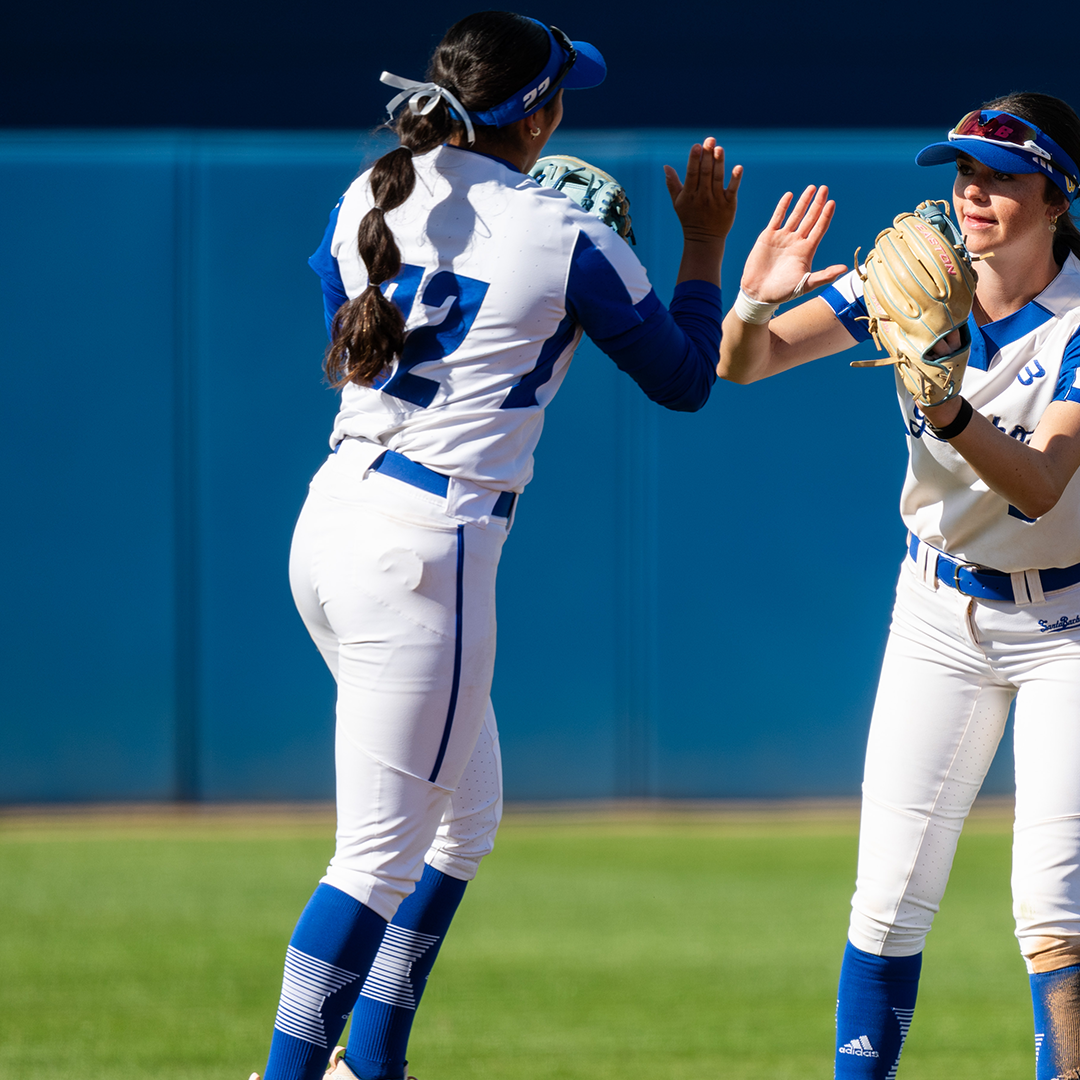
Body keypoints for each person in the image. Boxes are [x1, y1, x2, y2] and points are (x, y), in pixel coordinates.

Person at [256, 12, 740, 1080]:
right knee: (376, 858)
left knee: (462, 820)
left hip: (334, 515)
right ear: (539, 118)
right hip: (426, 547)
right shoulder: (565, 235)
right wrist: (704, 246)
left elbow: (349, 323)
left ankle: (370, 1064)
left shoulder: (372, 191)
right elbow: (685, 379)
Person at [716, 93, 1080, 1080]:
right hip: (937, 613)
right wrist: (754, 300)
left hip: (1069, 625)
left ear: (1058, 197)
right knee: (888, 900)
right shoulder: (912, 271)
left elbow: (1041, 483)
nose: (973, 192)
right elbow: (746, 364)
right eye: (965, 172)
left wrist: (944, 401)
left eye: (1002, 176)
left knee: (1053, 912)